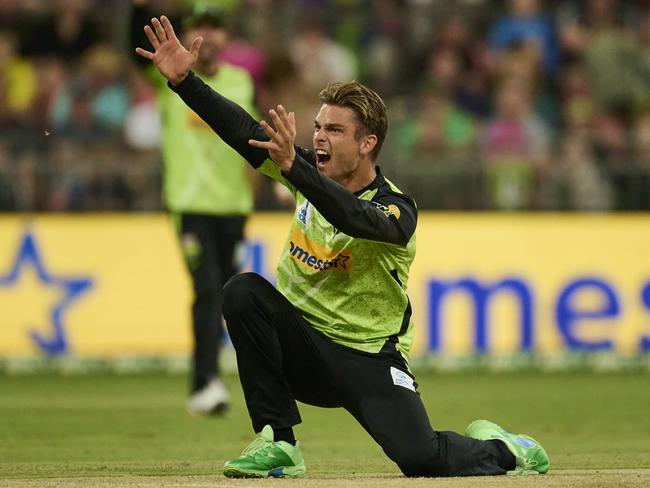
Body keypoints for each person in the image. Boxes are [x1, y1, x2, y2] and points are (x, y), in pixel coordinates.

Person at [136, 15, 550, 478]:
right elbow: (243, 131)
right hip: (303, 347)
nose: (318, 137)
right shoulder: (305, 168)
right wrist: (185, 83)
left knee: (421, 458)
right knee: (242, 291)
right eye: (318, 126)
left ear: (367, 142)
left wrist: (297, 171)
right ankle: (279, 442)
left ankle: (506, 450)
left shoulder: (397, 208)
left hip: (368, 358)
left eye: (334, 130)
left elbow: (352, 216)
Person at [131, 5, 259, 415]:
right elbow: (134, 47)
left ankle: (214, 379)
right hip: (190, 206)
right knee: (206, 290)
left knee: (226, 295)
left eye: (218, 28)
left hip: (233, 206)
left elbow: (253, 137)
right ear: (188, 35)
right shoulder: (167, 74)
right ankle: (205, 384)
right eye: (202, 27)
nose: (211, 35)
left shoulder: (241, 81)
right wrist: (141, 10)